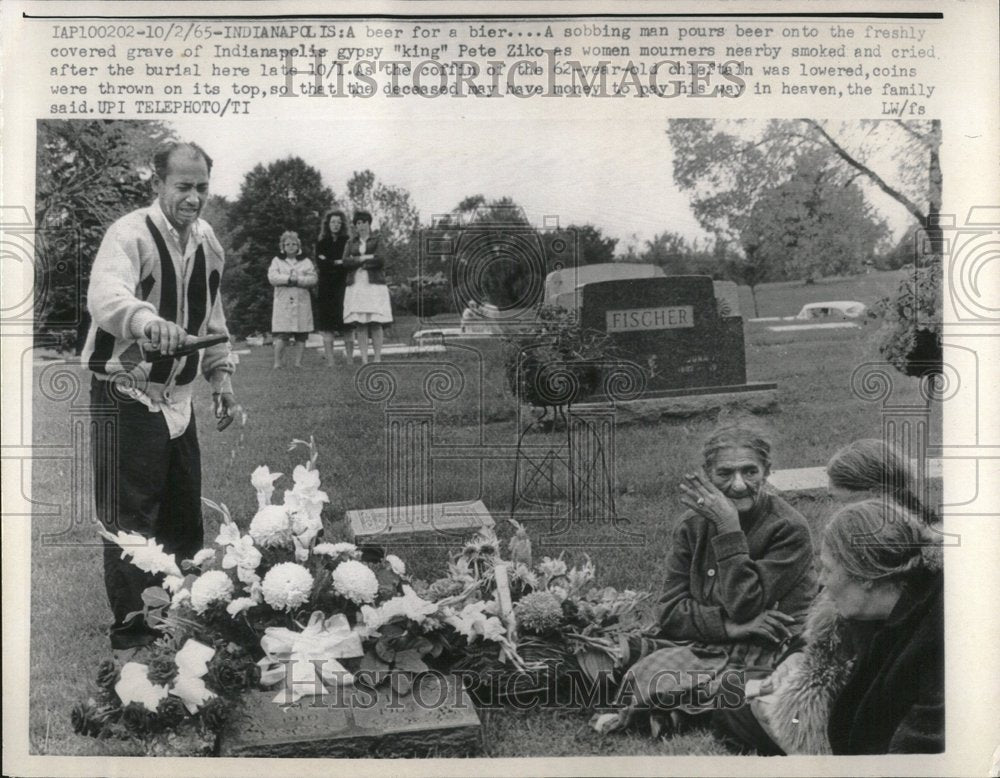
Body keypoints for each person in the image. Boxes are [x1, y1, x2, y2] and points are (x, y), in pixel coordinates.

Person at [82, 141, 238, 651]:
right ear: (158, 185)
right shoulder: (129, 234)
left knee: (181, 513)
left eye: (202, 188)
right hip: (125, 389)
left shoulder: (208, 241)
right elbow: (106, 298)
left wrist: (222, 379)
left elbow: (213, 318)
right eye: (183, 187)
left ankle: (184, 619)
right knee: (132, 518)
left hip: (179, 397)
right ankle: (137, 635)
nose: (194, 198)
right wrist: (147, 322)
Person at [715, 437, 944, 754]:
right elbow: (826, 620)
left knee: (741, 703)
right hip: (834, 670)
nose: (836, 511)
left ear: (881, 494)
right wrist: (795, 658)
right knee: (736, 689)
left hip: (862, 694)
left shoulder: (893, 566)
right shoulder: (866, 546)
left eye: (844, 501)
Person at [594, 423, 818, 736]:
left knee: (735, 686)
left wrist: (729, 530)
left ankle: (690, 707)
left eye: (750, 472)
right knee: (626, 660)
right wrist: (729, 627)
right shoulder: (692, 525)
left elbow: (744, 603)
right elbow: (670, 611)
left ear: (767, 472)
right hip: (709, 641)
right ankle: (682, 701)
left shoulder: (788, 528)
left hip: (767, 647)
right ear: (707, 473)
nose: (738, 485)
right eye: (725, 473)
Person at [342, 211, 393, 364]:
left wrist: (359, 261)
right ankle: (364, 359)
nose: (361, 226)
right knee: (361, 323)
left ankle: (377, 358)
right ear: (355, 226)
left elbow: (381, 260)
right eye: (358, 223)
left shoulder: (377, 240)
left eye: (364, 222)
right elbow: (345, 262)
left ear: (369, 224)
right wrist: (365, 258)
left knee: (376, 322)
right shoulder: (351, 243)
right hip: (356, 285)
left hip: (374, 285)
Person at [268, 231, 317, 369]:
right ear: (282, 246)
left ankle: (298, 363)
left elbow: (313, 279)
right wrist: (288, 279)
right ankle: (278, 363)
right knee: (283, 334)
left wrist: (299, 280)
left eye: (293, 244)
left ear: (298, 246)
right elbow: (272, 277)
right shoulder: (277, 261)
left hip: (301, 301)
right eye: (287, 244)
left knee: (301, 334)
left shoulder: (306, 262)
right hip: (284, 301)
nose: (290, 246)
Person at [314, 209, 353, 367]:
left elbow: (348, 263)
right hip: (326, 288)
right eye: (332, 222)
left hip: (344, 287)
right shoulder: (321, 243)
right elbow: (321, 264)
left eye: (338, 222)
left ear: (342, 224)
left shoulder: (348, 241)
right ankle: (331, 362)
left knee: (348, 325)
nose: (335, 225)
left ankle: (350, 360)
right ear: (327, 224)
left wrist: (332, 261)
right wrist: (337, 262)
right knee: (327, 325)